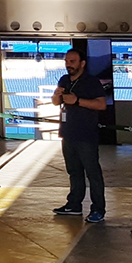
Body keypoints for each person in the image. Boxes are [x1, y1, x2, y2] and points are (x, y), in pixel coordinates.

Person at [51, 47, 107, 224]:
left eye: (72, 61)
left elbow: (101, 105)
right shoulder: (64, 80)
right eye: (67, 61)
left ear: (82, 63)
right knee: (74, 171)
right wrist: (56, 96)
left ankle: (98, 209)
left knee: (92, 172)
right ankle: (74, 204)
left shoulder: (91, 82)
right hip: (68, 133)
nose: (68, 65)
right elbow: (56, 103)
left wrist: (78, 101)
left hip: (86, 135)